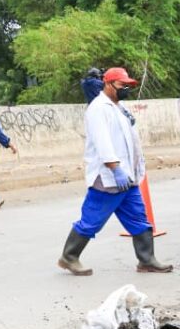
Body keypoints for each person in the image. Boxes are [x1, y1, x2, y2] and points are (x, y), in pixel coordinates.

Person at [57, 66, 172, 276]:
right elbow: (103, 143)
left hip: (128, 177)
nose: (126, 89)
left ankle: (147, 260)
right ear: (108, 85)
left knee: (139, 218)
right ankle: (69, 257)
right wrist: (115, 168)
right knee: (92, 220)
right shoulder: (98, 108)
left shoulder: (118, 107)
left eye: (128, 85)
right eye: (122, 85)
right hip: (109, 177)